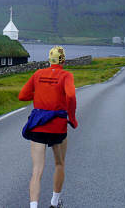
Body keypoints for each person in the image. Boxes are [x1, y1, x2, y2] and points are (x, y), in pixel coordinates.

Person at [19, 46, 78, 208]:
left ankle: (33, 206)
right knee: (59, 163)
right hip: (57, 127)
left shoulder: (38, 74)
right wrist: (72, 118)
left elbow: (22, 95)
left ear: (49, 59)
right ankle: (54, 202)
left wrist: (39, 95)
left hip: (38, 125)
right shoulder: (66, 75)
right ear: (63, 60)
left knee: (37, 170)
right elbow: (71, 95)